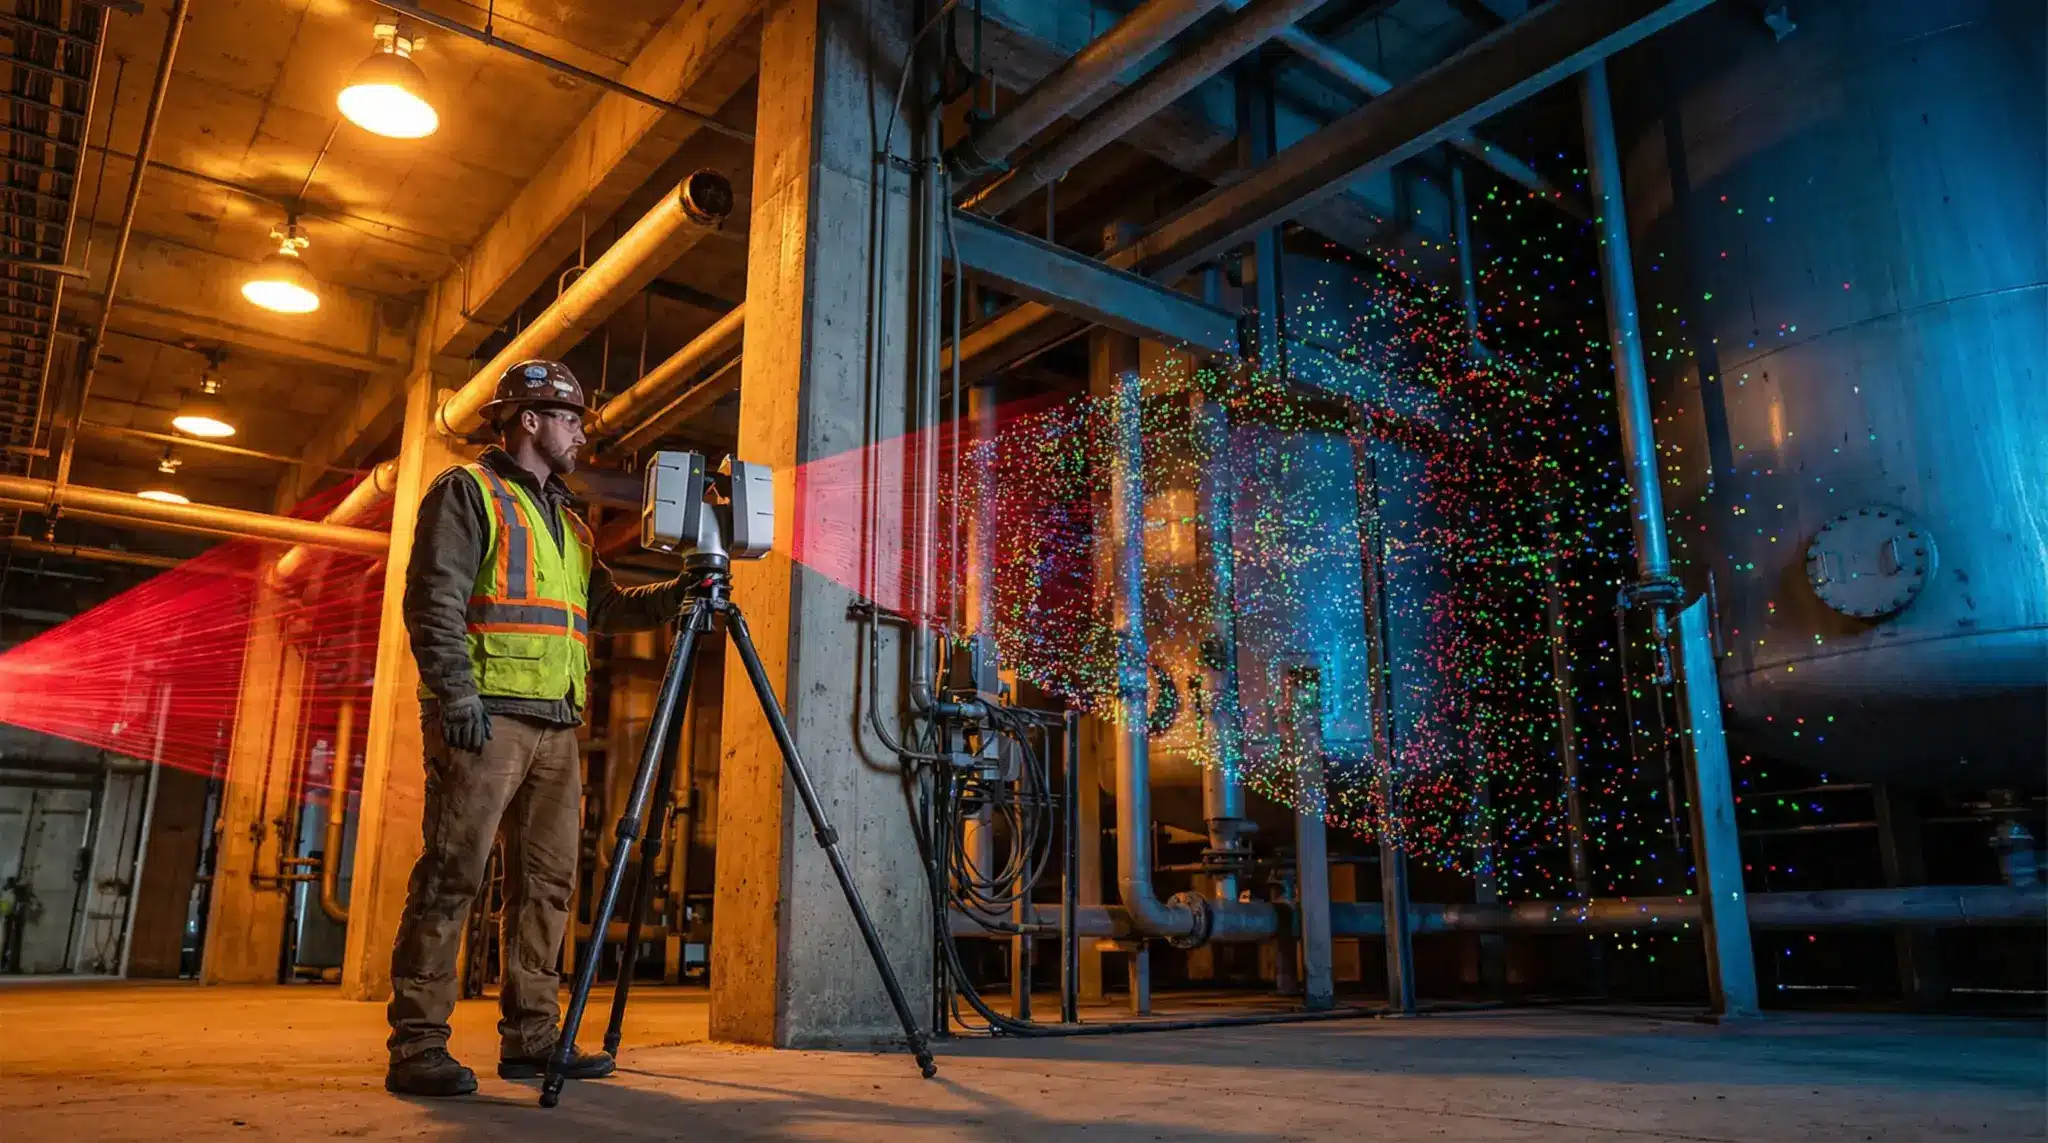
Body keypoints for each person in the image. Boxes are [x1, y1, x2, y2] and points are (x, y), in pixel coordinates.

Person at [384, 359, 687, 1097]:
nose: (582, 434)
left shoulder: (570, 522)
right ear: (529, 420)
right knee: (453, 874)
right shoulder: (468, 493)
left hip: (556, 723)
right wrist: (455, 697)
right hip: (485, 716)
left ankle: (531, 1039)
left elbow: (607, 610)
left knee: (548, 884)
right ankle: (417, 1045)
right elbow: (435, 601)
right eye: (571, 419)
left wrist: (684, 591)